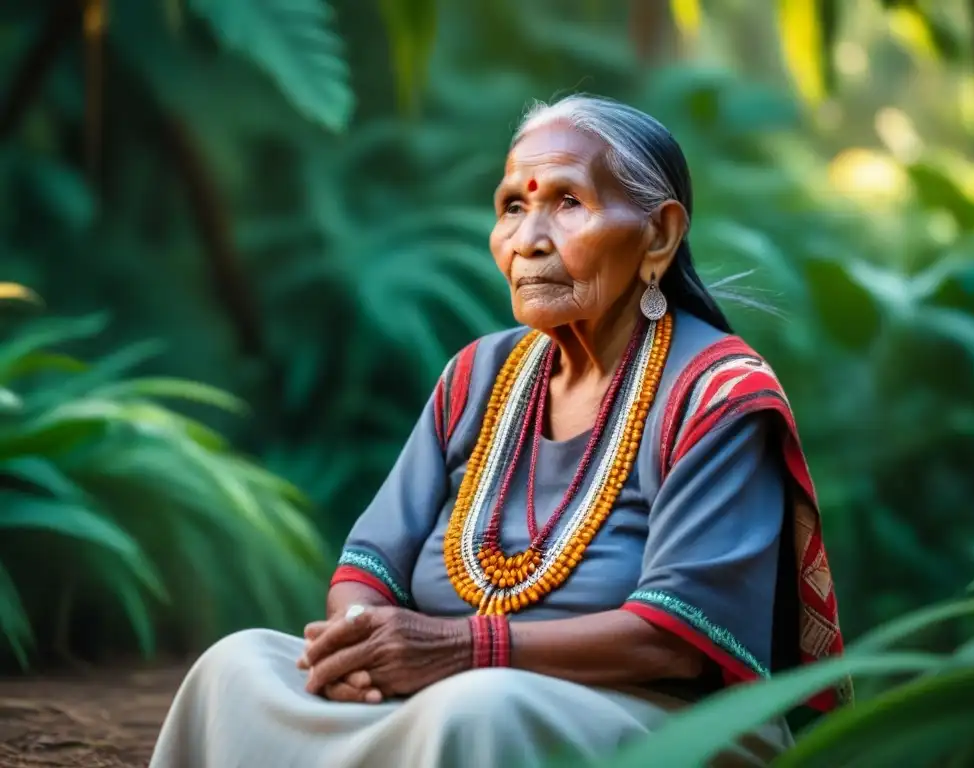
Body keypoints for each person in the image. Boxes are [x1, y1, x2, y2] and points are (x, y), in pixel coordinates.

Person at [149, 94, 849, 768]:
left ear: (658, 235)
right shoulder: (476, 377)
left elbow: (677, 640)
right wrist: (361, 647)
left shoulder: (718, 392)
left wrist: (461, 648)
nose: (528, 239)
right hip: (443, 692)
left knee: (480, 709)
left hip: (653, 719)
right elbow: (369, 568)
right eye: (513, 206)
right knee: (235, 669)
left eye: (567, 203)